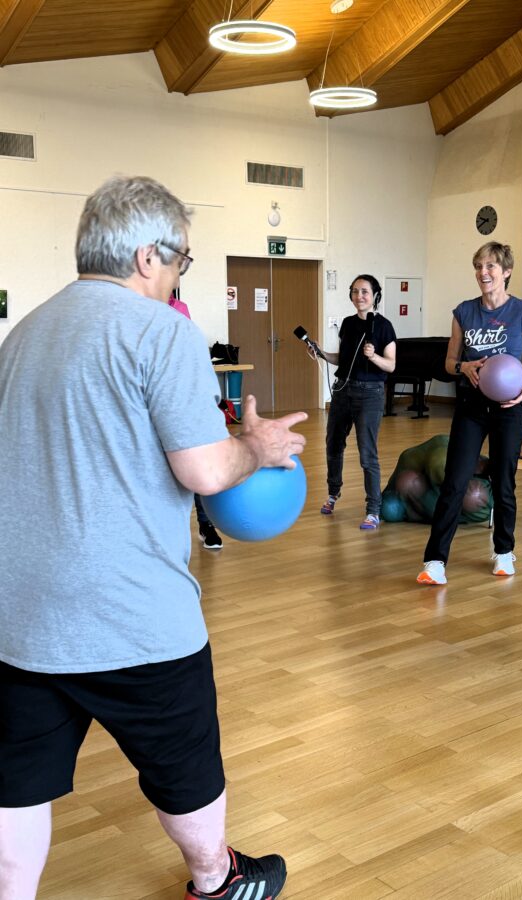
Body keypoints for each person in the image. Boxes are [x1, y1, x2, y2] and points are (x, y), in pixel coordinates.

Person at [0, 175, 307, 900]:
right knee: (184, 764)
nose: (177, 278)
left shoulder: (24, 333)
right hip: (131, 614)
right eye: (181, 262)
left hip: (20, 613)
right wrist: (255, 450)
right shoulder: (161, 329)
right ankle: (217, 880)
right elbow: (204, 471)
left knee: (14, 790)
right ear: (147, 256)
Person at [417, 242, 522, 585]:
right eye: (478, 266)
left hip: (509, 410)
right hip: (472, 408)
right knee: (455, 481)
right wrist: (465, 366)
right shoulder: (464, 312)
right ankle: (434, 561)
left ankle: (504, 552)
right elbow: (448, 362)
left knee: (504, 482)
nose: (483, 273)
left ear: (505, 272)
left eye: (490, 266)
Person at [313, 275, 396, 529]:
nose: (359, 296)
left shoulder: (384, 326)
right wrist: (322, 354)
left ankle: (373, 510)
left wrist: (374, 357)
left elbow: (391, 365)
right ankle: (333, 492)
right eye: (355, 291)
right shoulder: (348, 324)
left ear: (375, 296)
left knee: (367, 454)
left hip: (370, 394)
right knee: (333, 445)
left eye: (364, 292)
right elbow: (344, 358)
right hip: (342, 390)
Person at [168, 289, 223, 550]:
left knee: (196, 464)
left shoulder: (178, 308)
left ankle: (205, 524)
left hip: (182, 401)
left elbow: (191, 355)